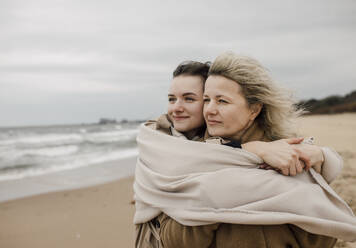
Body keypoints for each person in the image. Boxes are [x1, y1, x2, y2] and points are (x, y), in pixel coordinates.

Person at [134, 58, 345, 247]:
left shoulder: (286, 155)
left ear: (254, 109)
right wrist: (222, 188)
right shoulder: (191, 154)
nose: (210, 110)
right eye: (207, 100)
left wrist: (321, 155)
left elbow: (322, 235)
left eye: (222, 101)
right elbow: (173, 240)